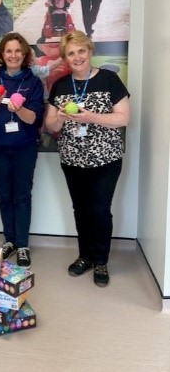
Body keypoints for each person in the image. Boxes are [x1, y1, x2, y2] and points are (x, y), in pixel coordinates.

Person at [45, 30, 130, 287]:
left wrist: (91, 117)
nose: (77, 57)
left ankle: (101, 260)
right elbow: (50, 125)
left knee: (100, 210)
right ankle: (85, 256)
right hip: (72, 161)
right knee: (80, 210)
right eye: (71, 53)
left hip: (106, 160)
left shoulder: (109, 79)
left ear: (90, 51)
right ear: (65, 58)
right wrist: (59, 117)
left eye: (81, 51)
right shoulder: (60, 85)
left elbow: (124, 118)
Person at [0, 32, 45, 268]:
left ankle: (23, 245)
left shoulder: (33, 83)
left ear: (24, 54)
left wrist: (18, 109)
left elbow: (33, 120)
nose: (13, 55)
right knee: (4, 196)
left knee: (22, 196)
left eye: (18, 50)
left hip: (24, 148)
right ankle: (9, 240)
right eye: (9, 51)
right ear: (2, 54)